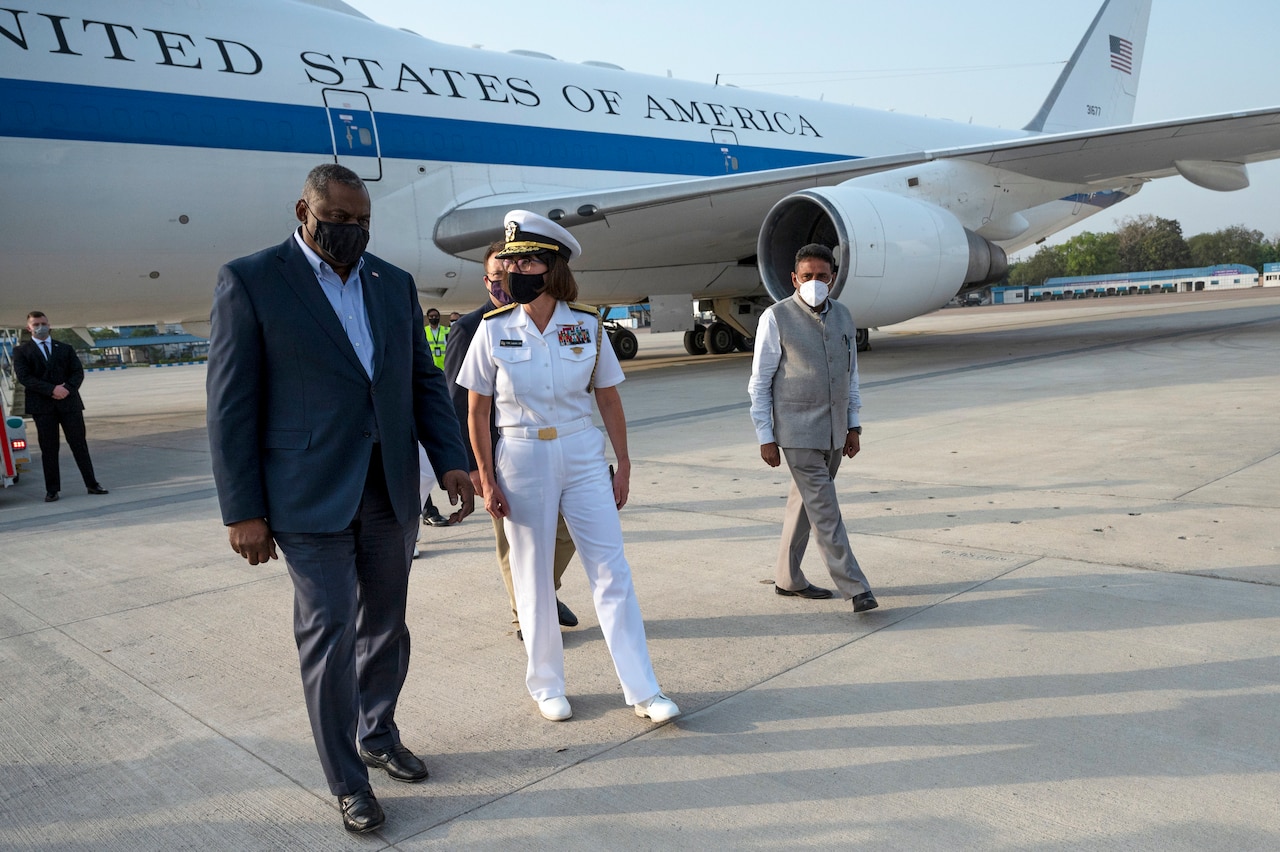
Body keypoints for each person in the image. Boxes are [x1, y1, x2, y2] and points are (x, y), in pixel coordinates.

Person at [206, 163, 475, 835]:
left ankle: (377, 734)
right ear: (305, 209)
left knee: (387, 623)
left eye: (362, 222)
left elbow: (420, 380)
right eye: (340, 219)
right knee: (329, 633)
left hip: (387, 489)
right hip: (305, 494)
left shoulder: (392, 283)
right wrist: (242, 510)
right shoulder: (252, 280)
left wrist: (451, 462)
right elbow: (231, 406)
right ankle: (346, 780)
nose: (352, 232)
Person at [457, 210, 679, 725]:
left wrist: (622, 463)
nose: (517, 270)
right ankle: (547, 683)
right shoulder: (492, 330)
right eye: (512, 261)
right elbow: (477, 410)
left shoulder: (587, 326)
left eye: (528, 260)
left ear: (552, 268)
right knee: (532, 574)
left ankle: (643, 690)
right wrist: (486, 478)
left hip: (582, 454)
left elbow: (608, 399)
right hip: (521, 453)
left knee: (611, 571)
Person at [443, 240, 579, 640]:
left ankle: (541, 593)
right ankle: (526, 616)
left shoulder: (548, 319)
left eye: (514, 272)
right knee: (511, 542)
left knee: (568, 530)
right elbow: (459, 406)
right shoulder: (473, 328)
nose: (508, 282)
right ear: (487, 281)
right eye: (499, 277)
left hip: (553, 452)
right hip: (502, 457)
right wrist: (473, 467)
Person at [747, 243, 879, 613]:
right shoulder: (775, 317)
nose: (815, 282)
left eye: (822, 276)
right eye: (807, 276)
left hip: (836, 430)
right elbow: (759, 382)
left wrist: (854, 425)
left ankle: (788, 579)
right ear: (794, 278)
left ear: (833, 278)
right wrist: (766, 437)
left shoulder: (844, 316)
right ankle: (856, 588)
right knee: (826, 511)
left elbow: (850, 376)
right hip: (796, 431)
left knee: (804, 505)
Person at [13, 311, 108, 502]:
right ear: (28, 328)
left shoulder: (65, 348)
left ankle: (92, 484)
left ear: (50, 325)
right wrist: (51, 390)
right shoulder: (21, 351)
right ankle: (52, 489)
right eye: (36, 324)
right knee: (49, 448)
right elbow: (25, 378)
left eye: (44, 323)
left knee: (79, 445)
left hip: (69, 404)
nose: (41, 327)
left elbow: (77, 372)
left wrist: (66, 389)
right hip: (43, 407)